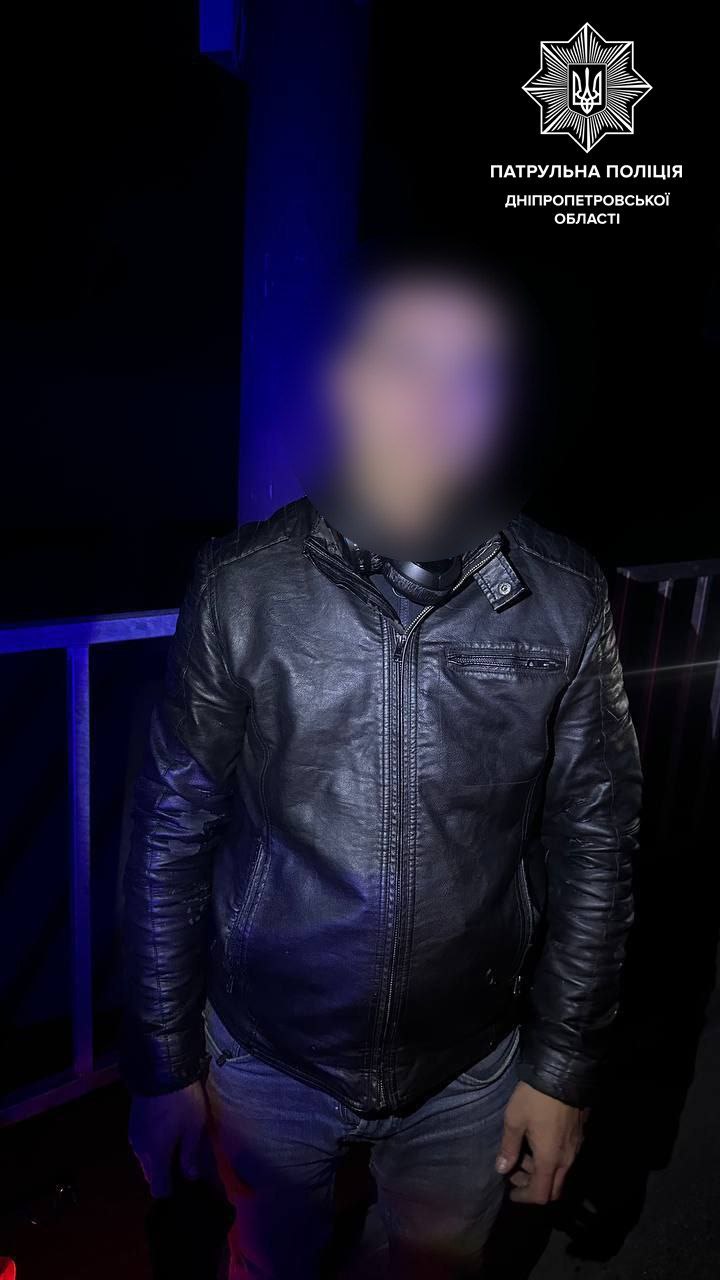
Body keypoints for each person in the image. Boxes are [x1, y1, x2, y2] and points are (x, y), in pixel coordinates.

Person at [123, 252, 642, 1279]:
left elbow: (599, 845)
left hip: (470, 1067)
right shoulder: (239, 587)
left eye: (472, 371)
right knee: (268, 1261)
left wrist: (563, 1067)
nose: (433, 403)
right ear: (344, 384)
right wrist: (161, 1062)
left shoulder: (569, 597)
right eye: (401, 360)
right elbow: (169, 832)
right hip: (265, 1058)